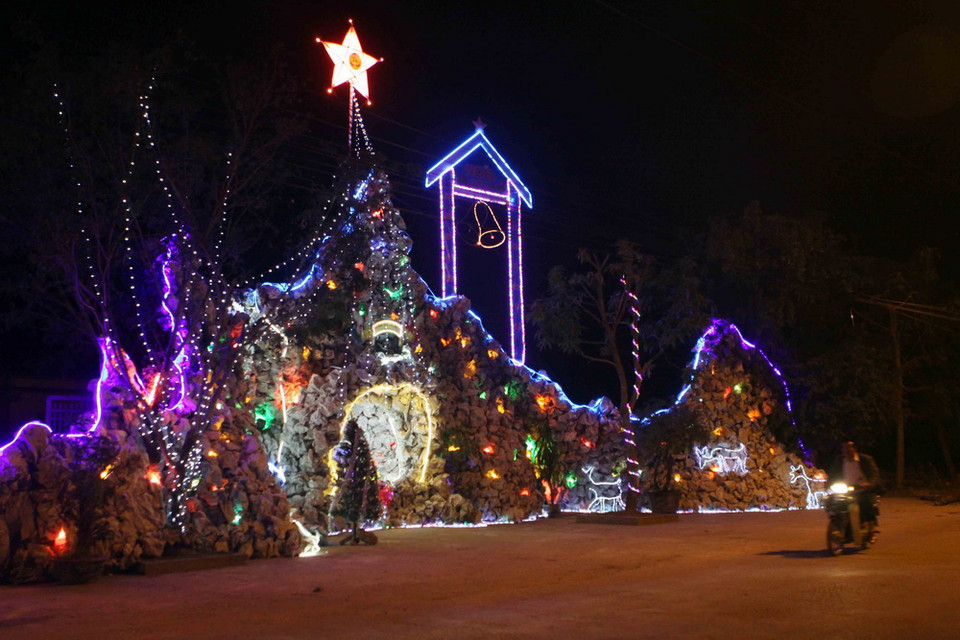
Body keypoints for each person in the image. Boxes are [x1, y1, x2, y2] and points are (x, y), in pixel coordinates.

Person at [829, 440, 882, 527]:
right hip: (845, 490)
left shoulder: (865, 460)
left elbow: (874, 474)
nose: (846, 451)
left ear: (854, 449)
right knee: (832, 502)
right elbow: (832, 474)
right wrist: (829, 484)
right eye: (844, 449)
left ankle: (867, 524)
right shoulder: (840, 461)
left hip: (862, 489)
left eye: (848, 448)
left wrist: (869, 484)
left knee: (865, 503)